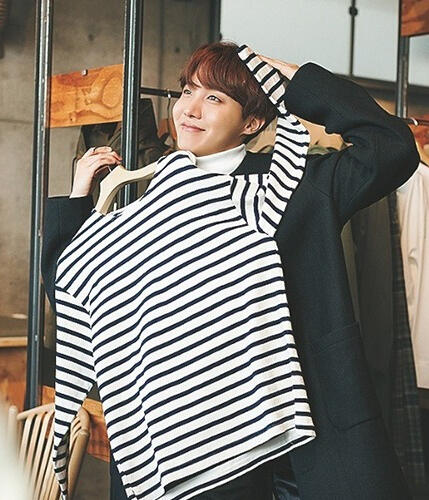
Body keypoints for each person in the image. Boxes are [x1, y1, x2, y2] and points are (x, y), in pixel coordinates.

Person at [42, 42, 419, 500]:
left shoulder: (296, 183)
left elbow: (392, 147)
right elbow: (75, 297)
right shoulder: (150, 198)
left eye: (214, 98)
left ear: (252, 121)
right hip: (184, 437)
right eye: (187, 91)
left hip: (304, 428)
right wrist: (77, 202)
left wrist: (298, 80)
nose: (190, 109)